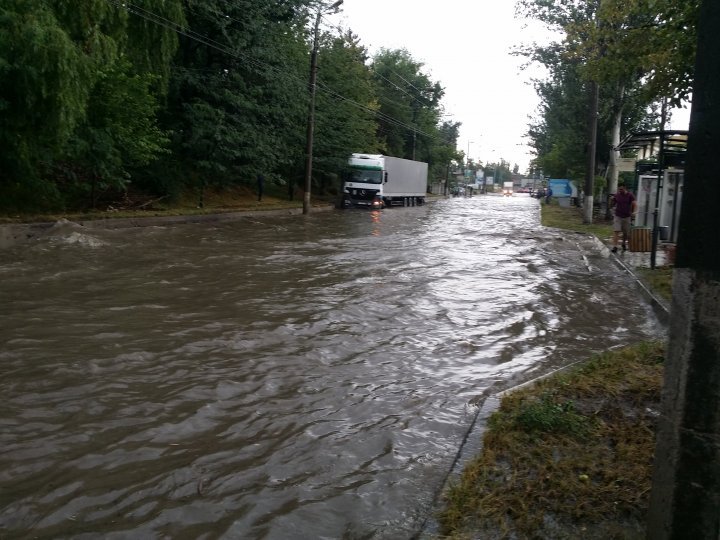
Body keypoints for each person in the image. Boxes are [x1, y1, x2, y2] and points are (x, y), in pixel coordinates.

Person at [610, 184, 637, 253]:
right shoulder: (617, 195)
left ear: (625, 188)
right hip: (618, 215)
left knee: (625, 233)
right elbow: (612, 204)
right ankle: (615, 246)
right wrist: (611, 200)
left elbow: (634, 204)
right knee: (616, 231)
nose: (620, 191)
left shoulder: (630, 195)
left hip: (627, 216)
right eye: (619, 189)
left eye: (621, 189)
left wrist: (634, 212)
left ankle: (623, 243)